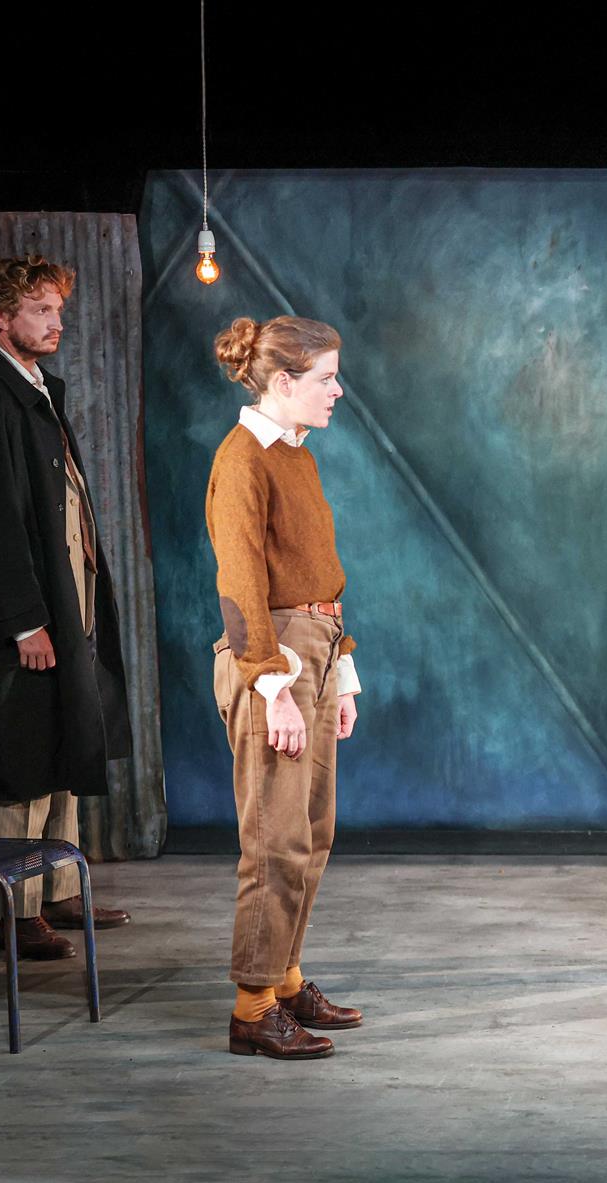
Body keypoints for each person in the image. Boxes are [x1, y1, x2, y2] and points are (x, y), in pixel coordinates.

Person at [0, 253, 133, 959]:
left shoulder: (33, 391)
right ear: (0, 317)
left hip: (63, 602)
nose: (57, 323)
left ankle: (59, 891)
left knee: (61, 740)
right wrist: (24, 621)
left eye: (58, 310)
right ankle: (17, 916)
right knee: (21, 758)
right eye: (41, 310)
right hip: (26, 620)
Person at [207, 315, 364, 1059]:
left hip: (317, 649)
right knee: (274, 841)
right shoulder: (242, 459)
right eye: (326, 378)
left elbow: (318, 571)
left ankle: (286, 980)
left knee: (311, 833)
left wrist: (345, 674)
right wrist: (272, 686)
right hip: (272, 655)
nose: (338, 390)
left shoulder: (296, 453)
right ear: (282, 380)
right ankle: (252, 1008)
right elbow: (240, 583)